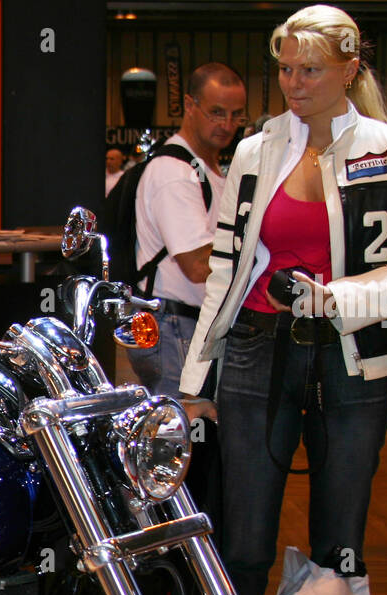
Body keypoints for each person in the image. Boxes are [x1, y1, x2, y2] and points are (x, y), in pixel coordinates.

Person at [178, 4, 387, 595]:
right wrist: (197, 381)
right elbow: (225, 271)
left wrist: (342, 300)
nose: (292, 84)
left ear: (350, 69)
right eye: (284, 70)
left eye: (309, 70)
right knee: (242, 537)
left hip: (352, 358)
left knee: (341, 541)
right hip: (256, 350)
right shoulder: (255, 151)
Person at [128, 62, 246, 398]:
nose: (227, 124)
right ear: (190, 105)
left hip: (189, 325)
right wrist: (253, 255)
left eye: (236, 115)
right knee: (178, 441)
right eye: (216, 112)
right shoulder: (174, 172)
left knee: (195, 436)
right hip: (174, 326)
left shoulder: (208, 169)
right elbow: (196, 265)